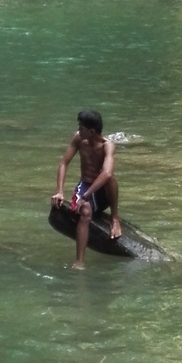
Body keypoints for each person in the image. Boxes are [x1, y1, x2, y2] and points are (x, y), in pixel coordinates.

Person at [52, 108, 120, 267]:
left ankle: (115, 219)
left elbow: (107, 173)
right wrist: (59, 191)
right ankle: (80, 261)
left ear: (91, 131)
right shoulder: (78, 140)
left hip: (100, 192)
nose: (78, 131)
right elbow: (64, 163)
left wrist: (86, 196)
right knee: (85, 212)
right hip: (85, 184)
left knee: (111, 179)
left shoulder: (107, 146)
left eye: (81, 128)